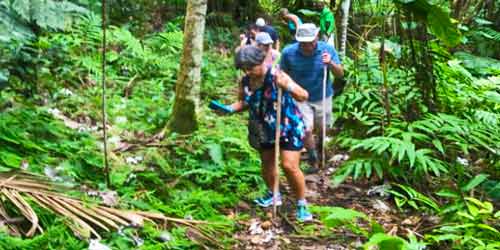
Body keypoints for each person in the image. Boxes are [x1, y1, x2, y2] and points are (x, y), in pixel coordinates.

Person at [218, 46, 313, 222]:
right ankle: (273, 194)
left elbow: (303, 95)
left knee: (289, 166)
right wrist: (229, 109)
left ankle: (301, 203)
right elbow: (244, 102)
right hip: (264, 128)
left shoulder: (277, 75)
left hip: (287, 125)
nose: (249, 71)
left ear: (261, 61)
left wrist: (288, 86)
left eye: (251, 67)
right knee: (267, 164)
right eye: (245, 68)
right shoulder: (245, 81)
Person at [280, 23, 344, 173]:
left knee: (323, 128)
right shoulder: (288, 53)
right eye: (304, 43)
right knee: (306, 129)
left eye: (311, 42)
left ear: (316, 37)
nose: (308, 46)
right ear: (299, 41)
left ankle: (322, 150)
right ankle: (313, 159)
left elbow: (340, 74)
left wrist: (331, 64)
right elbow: (282, 74)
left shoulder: (327, 50)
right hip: (300, 97)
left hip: (322, 96)